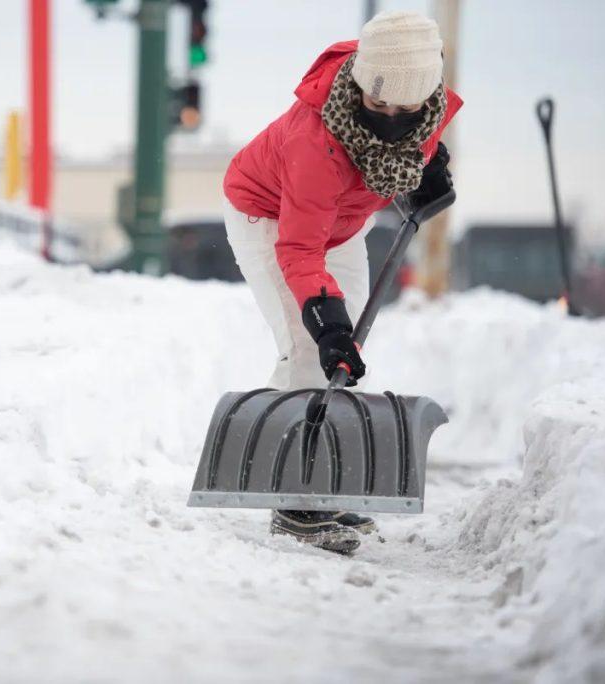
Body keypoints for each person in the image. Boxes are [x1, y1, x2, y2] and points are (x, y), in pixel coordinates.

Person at [222, 10, 462, 552]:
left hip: (344, 222)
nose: (391, 118)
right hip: (270, 216)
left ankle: (320, 480)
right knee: (313, 341)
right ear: (359, 87)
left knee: (344, 333)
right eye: (377, 106)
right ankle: (297, 497)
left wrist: (428, 173)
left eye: (406, 110)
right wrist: (327, 328)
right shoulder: (315, 140)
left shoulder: (428, 110)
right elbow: (300, 250)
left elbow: (410, 151)